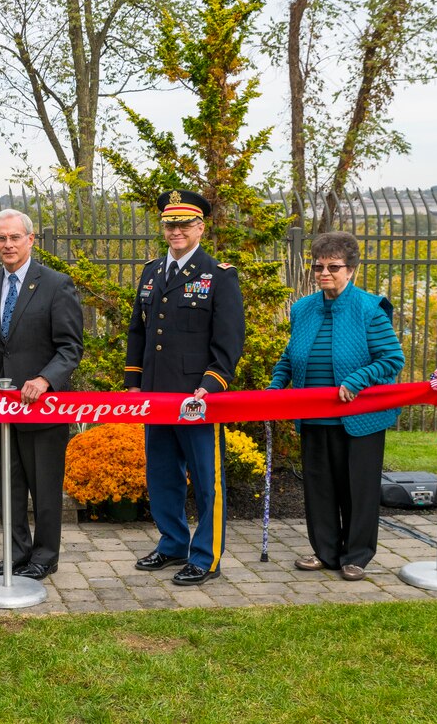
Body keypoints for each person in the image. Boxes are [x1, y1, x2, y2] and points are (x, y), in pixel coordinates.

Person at [125, 189, 245, 586]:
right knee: (162, 475)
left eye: (183, 224)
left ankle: (206, 556)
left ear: (200, 227)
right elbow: (138, 331)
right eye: (169, 224)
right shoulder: (152, 272)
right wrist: (134, 383)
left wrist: (211, 384)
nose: (175, 230)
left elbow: (228, 340)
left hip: (196, 398)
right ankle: (173, 542)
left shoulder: (219, 275)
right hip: (157, 396)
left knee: (206, 480)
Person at [268, 232, 404, 581]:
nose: (324, 273)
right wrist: (274, 388)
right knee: (319, 487)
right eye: (318, 267)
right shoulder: (303, 309)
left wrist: (356, 380)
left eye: (333, 267)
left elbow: (392, 358)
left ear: (351, 270)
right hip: (313, 415)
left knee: (356, 489)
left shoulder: (369, 309)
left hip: (360, 418)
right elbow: (289, 356)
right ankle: (325, 552)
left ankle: (356, 556)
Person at [0, 209, 83, 580]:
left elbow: (70, 347)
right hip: (0, 413)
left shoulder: (55, 284)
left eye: (14, 237)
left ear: (30, 240)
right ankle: (15, 552)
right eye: (1, 238)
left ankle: (45, 556)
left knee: (45, 488)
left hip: (43, 408)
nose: (7, 245)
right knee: (7, 488)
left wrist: (45, 379)